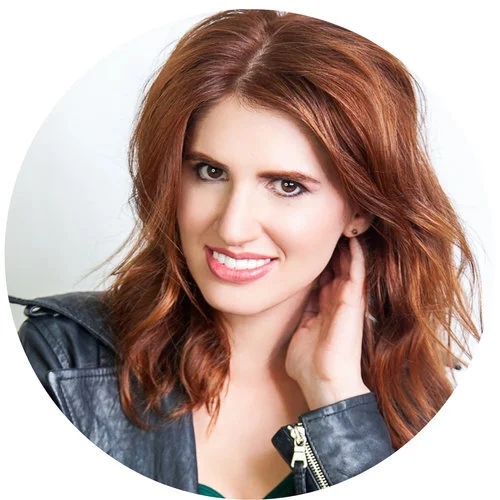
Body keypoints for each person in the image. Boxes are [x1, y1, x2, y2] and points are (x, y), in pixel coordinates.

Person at [9, 8, 482, 499]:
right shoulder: (66, 363)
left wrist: (338, 401)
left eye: (287, 185)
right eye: (210, 172)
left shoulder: (425, 406)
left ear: (359, 210)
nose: (233, 227)